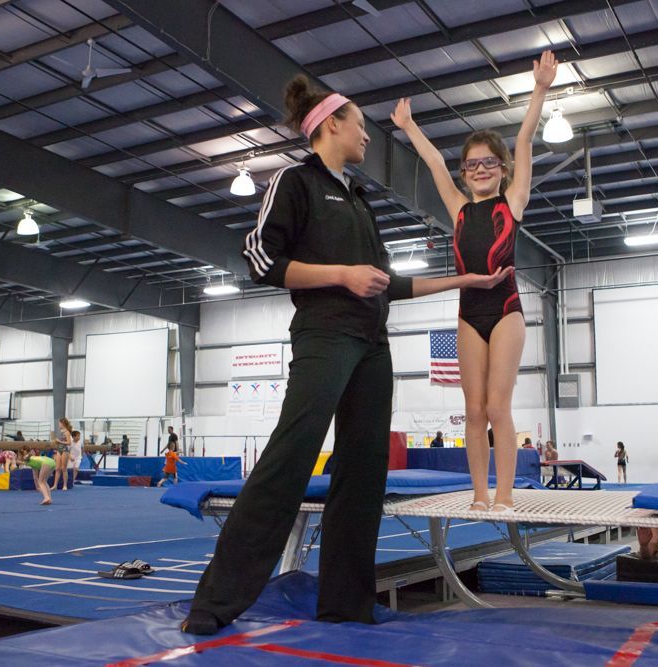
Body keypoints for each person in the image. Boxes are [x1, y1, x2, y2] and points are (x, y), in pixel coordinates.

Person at [182, 74, 509, 637]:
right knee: (290, 458)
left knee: (363, 475)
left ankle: (346, 603)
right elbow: (260, 259)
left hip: (372, 347)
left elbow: (383, 282)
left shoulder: (358, 198)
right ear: (331, 123)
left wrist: (467, 281)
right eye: (360, 125)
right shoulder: (297, 180)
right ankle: (213, 605)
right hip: (326, 336)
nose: (366, 136)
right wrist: (340, 275)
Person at [391, 51, 558, 513]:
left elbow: (524, 140)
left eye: (488, 163)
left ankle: (504, 494)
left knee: (498, 407)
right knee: (473, 410)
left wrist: (540, 88)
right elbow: (433, 165)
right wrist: (409, 127)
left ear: (502, 169)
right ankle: (480, 494)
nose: (479, 169)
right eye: (471, 165)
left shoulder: (513, 200)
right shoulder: (459, 208)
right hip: (469, 313)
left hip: (506, 311)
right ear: (464, 173)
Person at [51, 417, 73, 491]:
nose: (59, 425)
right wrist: (56, 442)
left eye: (60, 423)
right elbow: (59, 441)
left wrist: (59, 442)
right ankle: (55, 485)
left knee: (63, 468)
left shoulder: (67, 432)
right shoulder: (60, 432)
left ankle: (65, 485)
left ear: (63, 424)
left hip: (64, 450)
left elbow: (69, 443)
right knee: (57, 468)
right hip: (59, 449)